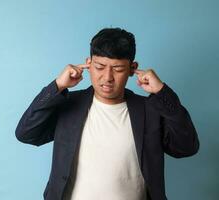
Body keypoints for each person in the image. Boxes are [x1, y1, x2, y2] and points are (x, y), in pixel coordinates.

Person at [15, 27, 199, 200]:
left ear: (132, 69)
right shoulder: (68, 104)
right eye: (100, 67)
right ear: (88, 64)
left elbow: (186, 147)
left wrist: (161, 92)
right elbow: (26, 133)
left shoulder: (150, 110)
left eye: (118, 69)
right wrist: (57, 86)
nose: (107, 77)